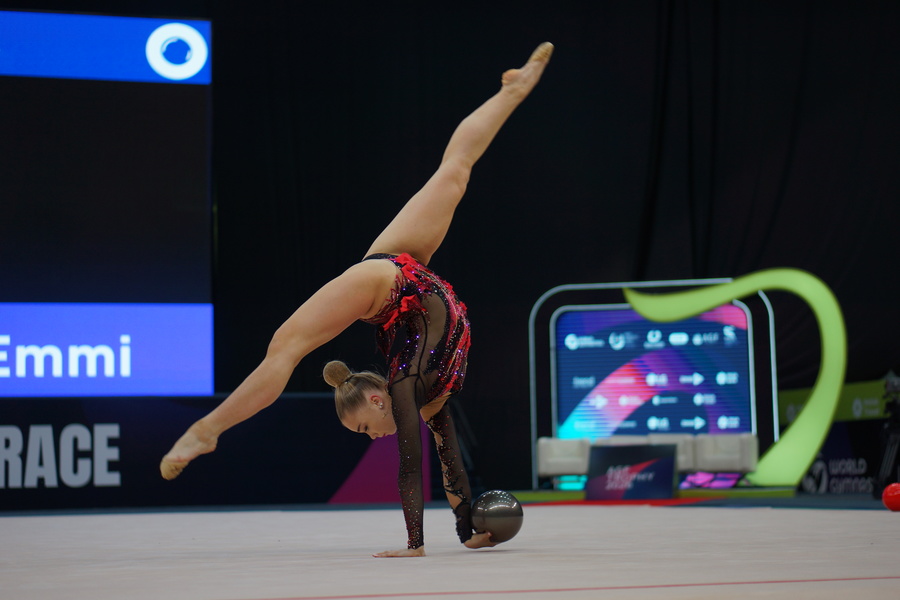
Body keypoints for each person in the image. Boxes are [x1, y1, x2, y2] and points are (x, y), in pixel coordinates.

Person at [160, 42, 554, 557]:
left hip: (391, 281)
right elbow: (441, 458)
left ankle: (207, 428)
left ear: (376, 400)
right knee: (454, 170)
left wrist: (422, 543)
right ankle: (207, 430)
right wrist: (463, 530)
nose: (372, 437)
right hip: (404, 278)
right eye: (365, 432)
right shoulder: (419, 395)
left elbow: (418, 464)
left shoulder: (407, 387)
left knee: (286, 347)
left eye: (365, 428)